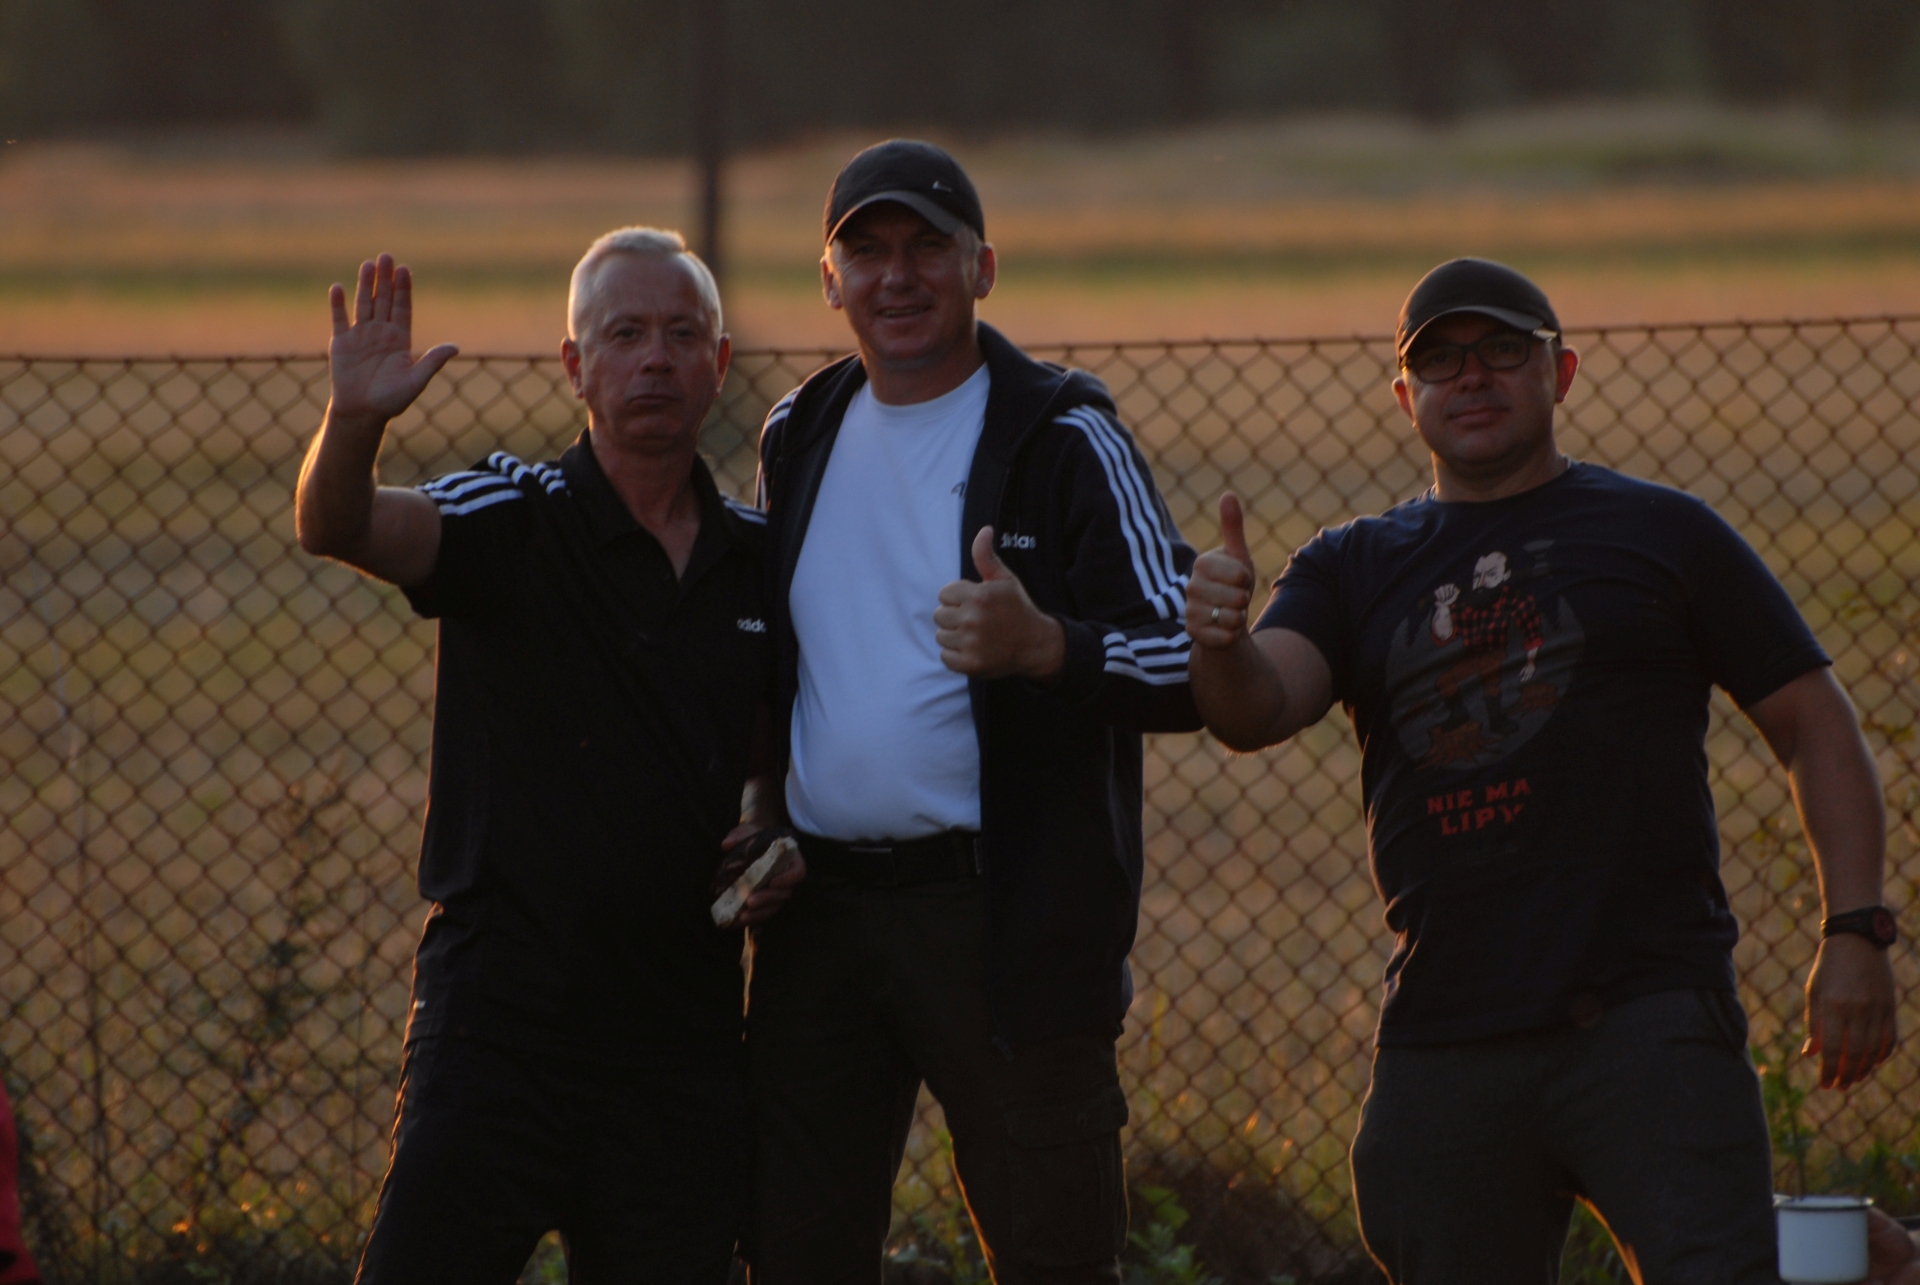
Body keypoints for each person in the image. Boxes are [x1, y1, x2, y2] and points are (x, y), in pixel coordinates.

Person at [1182, 257, 1899, 1284]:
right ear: (1406, 398)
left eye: (1501, 349)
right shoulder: (1351, 565)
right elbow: (1255, 709)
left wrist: (1856, 930)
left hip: (1647, 1019)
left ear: (1559, 373)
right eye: (1439, 360)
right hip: (1446, 1033)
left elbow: (1814, 725)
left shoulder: (1664, 533)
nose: (1471, 376)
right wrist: (1217, 640)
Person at [295, 230, 795, 1284]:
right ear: (576, 364)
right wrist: (355, 421)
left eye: (682, 334)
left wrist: (770, 832)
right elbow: (340, 525)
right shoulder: (514, 515)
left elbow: (769, 758)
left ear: (719, 361)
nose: (655, 358)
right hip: (501, 1029)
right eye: (625, 334)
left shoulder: (759, 560)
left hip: (680, 1042)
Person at [744, 139, 1202, 1285]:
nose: (897, 277)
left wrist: (1049, 648)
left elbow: (1189, 657)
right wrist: (757, 807)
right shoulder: (798, 432)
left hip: (1006, 922)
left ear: (982, 267)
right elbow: (772, 665)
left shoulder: (1064, 436)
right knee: (794, 1251)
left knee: (1053, 1255)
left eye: (927, 248)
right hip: (818, 924)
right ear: (830, 281)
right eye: (867, 252)